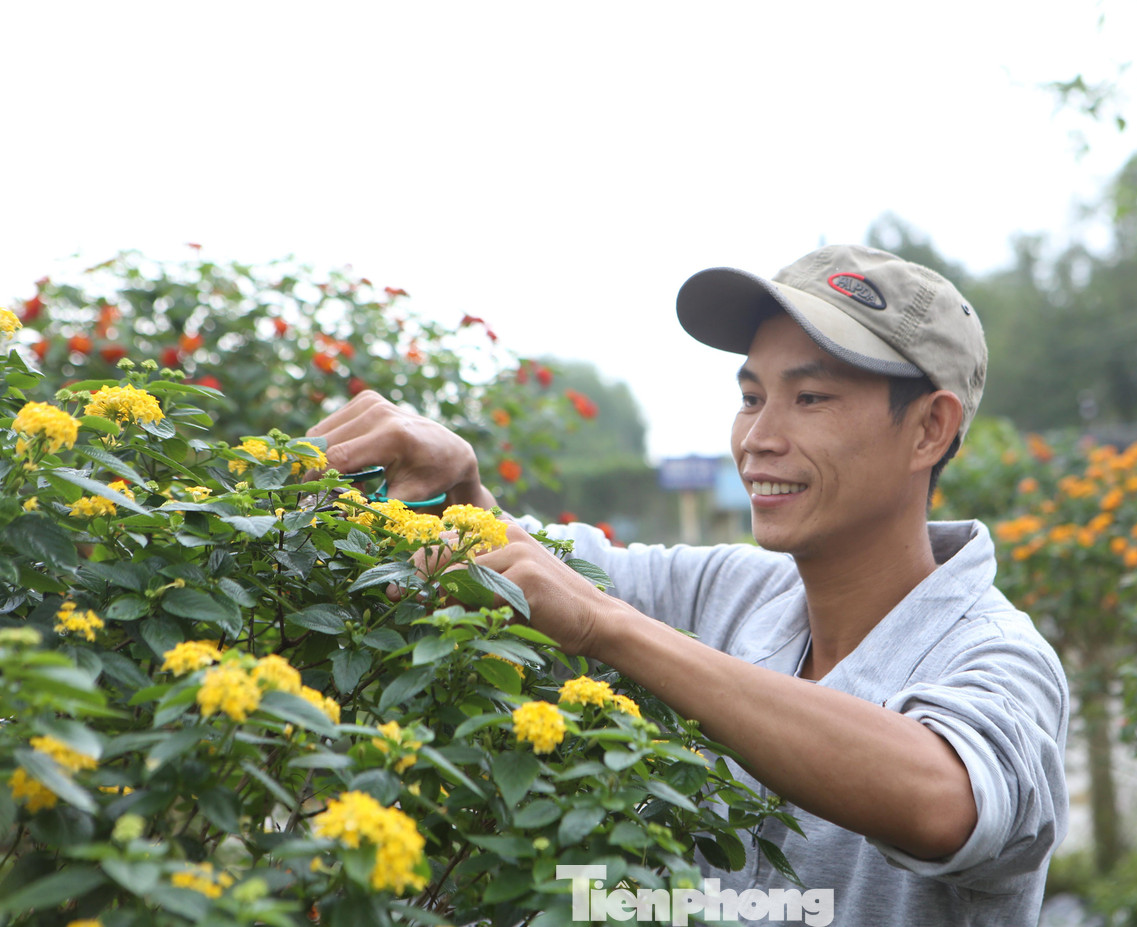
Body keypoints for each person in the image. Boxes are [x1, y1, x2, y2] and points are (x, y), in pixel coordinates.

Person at [308, 244, 1068, 925]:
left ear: (930, 429)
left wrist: (610, 626)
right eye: (750, 396)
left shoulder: (997, 656)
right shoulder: (737, 591)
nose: (759, 437)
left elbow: (945, 798)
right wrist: (460, 492)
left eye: (810, 398)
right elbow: (539, 570)